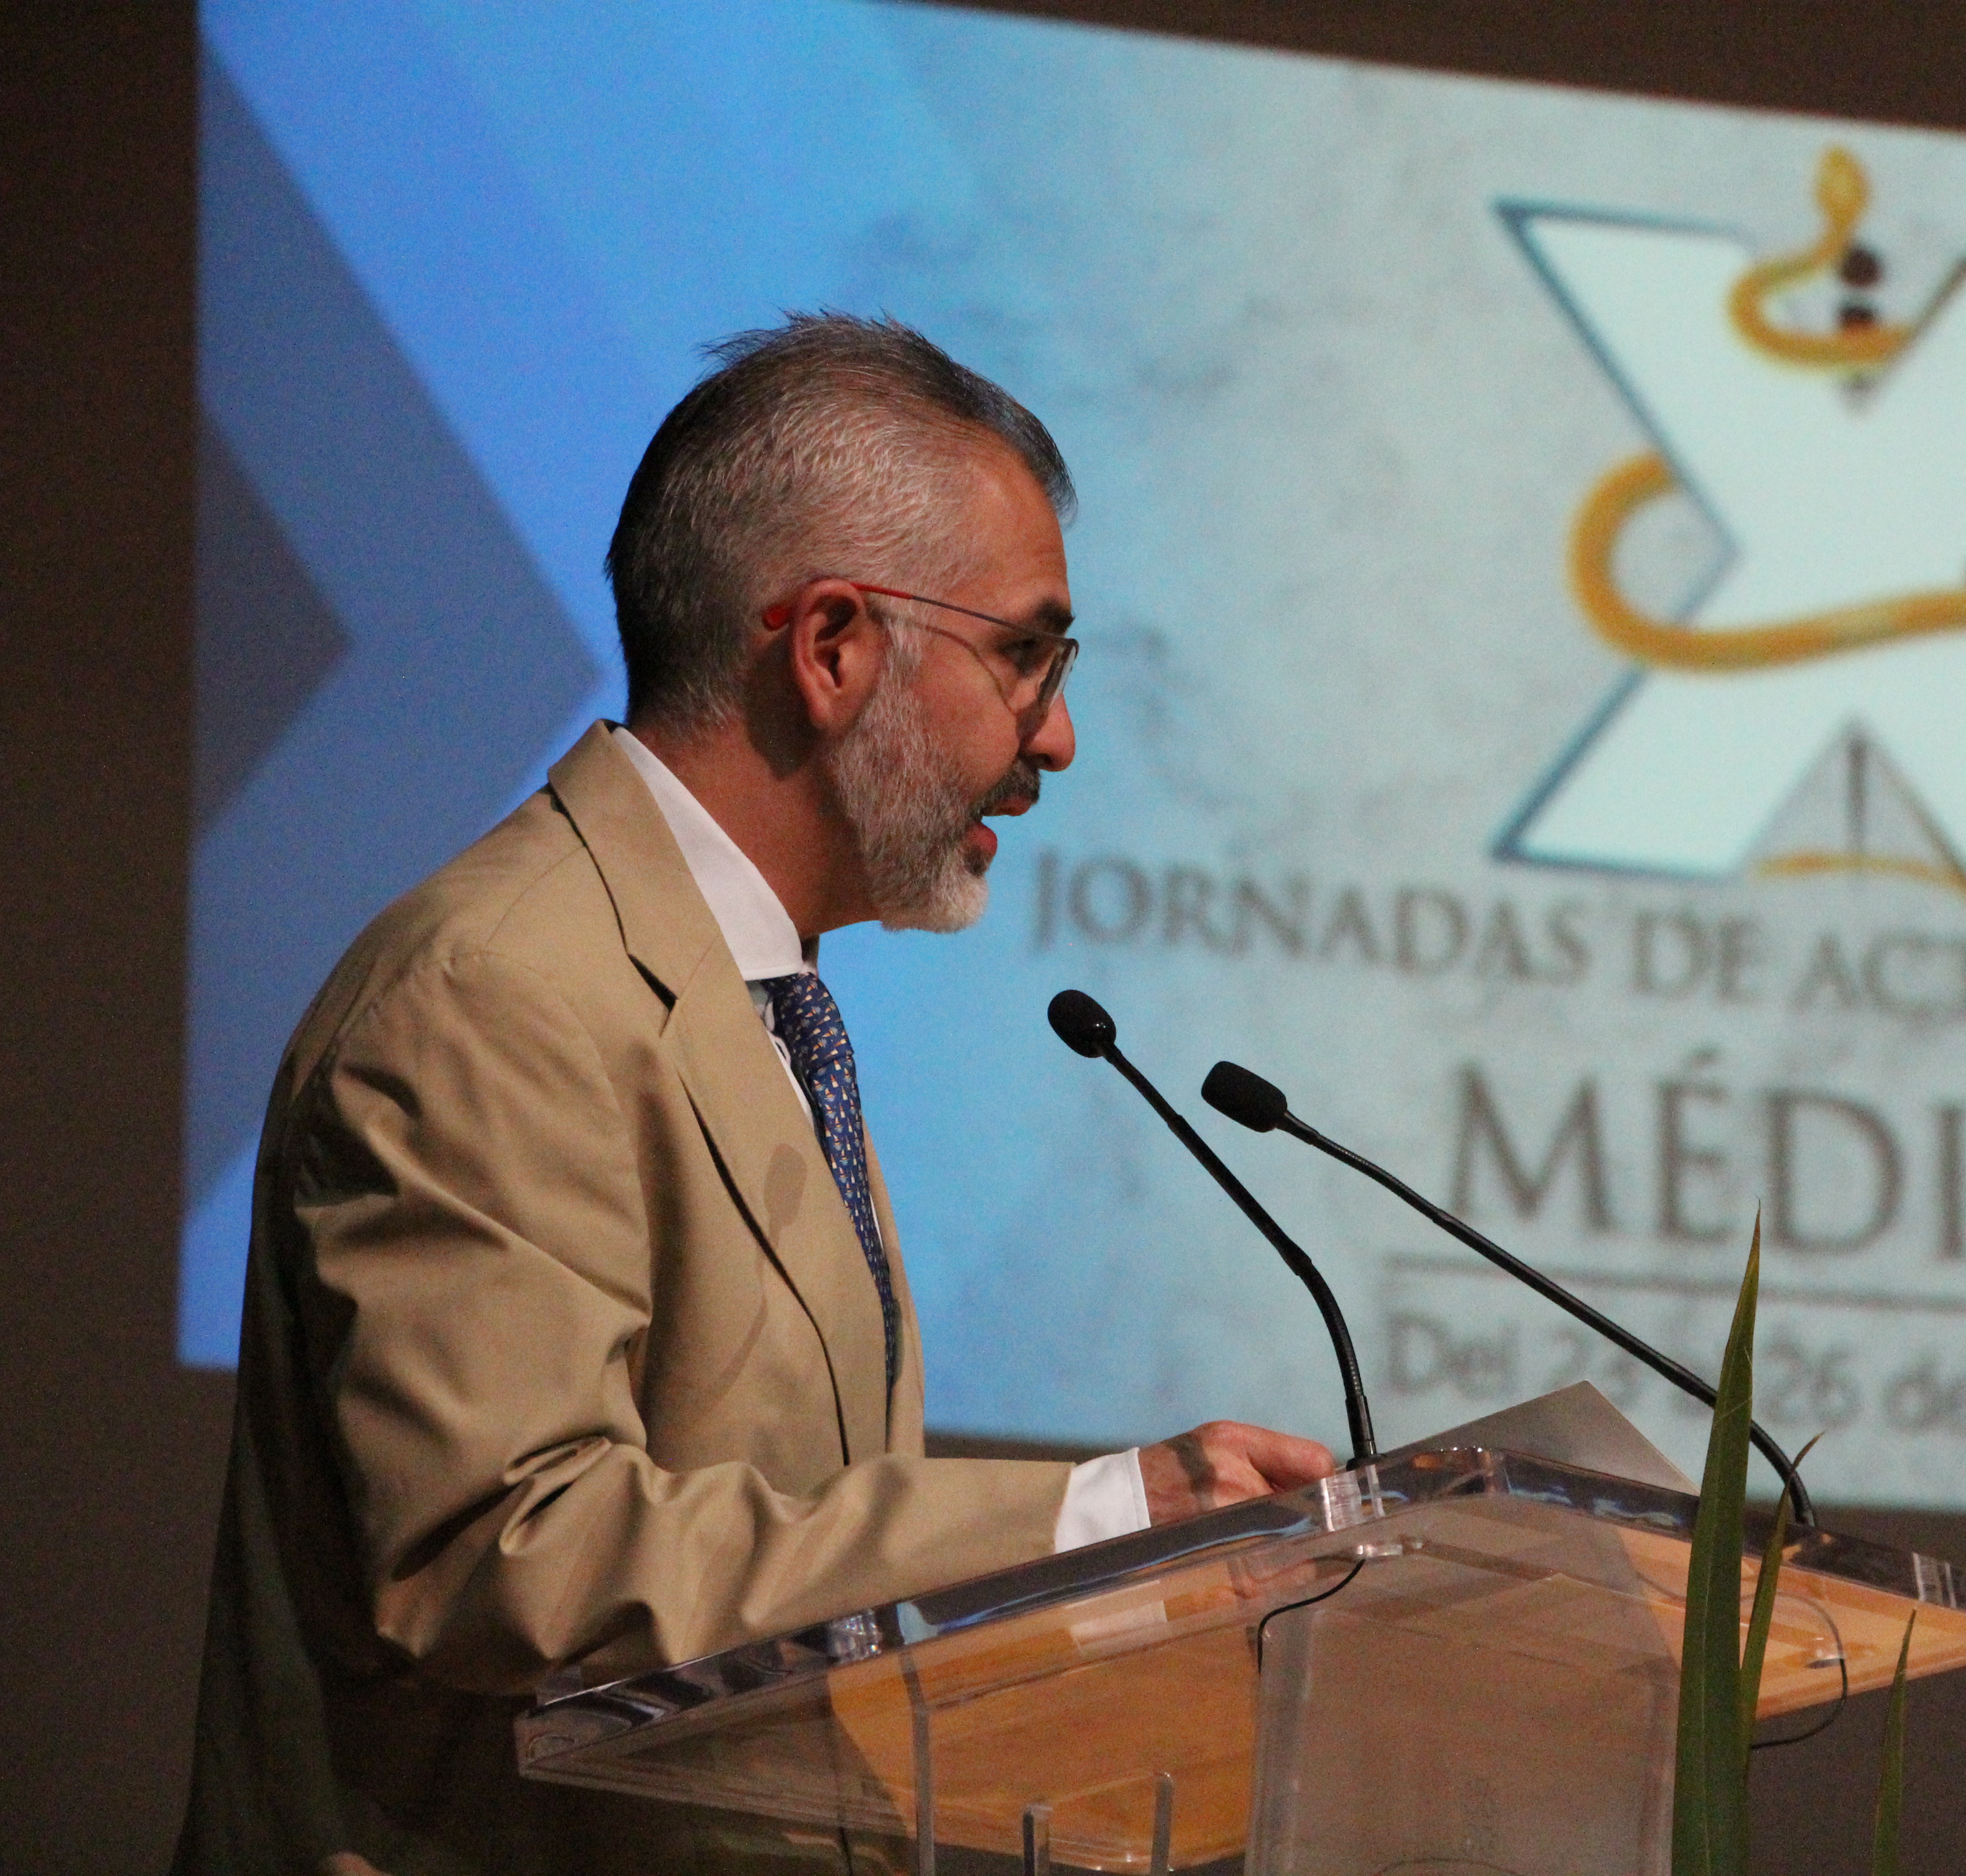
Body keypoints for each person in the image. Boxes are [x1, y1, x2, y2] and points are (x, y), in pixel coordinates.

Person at [173, 314, 1335, 1876]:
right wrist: (1085, 1521)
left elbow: (789, 1570)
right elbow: (510, 1557)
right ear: (833, 644)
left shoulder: (756, 999)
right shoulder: (499, 992)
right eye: (1026, 655)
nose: (1056, 736)